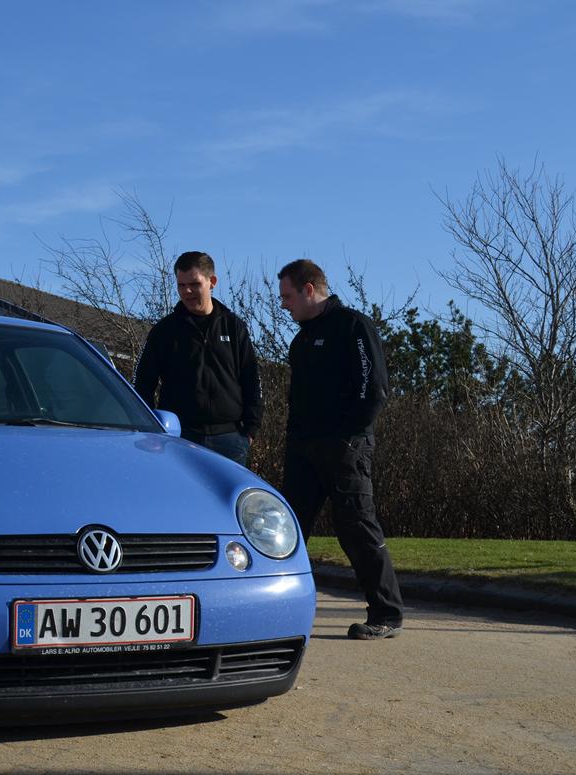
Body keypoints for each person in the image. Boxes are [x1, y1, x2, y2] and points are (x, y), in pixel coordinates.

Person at [277, 259, 405, 640]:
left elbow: (375, 389)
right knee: (287, 531)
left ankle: (387, 613)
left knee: (356, 528)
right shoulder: (301, 340)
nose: (284, 305)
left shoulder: (353, 326)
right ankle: (279, 610)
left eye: (287, 296)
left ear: (309, 289)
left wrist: (350, 436)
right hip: (304, 450)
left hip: (347, 448)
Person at [134, 251, 263, 466]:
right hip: (179, 438)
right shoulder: (164, 331)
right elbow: (142, 382)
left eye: (194, 284)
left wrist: (250, 429)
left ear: (212, 281)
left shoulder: (234, 327)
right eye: (181, 285)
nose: (187, 291)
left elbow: (252, 378)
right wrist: (151, 428)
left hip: (230, 440)